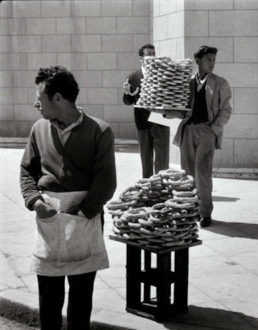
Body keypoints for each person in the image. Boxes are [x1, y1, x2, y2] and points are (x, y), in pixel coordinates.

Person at [20, 66, 117, 329]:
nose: (35, 103)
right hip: (49, 218)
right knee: (49, 296)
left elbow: (106, 182)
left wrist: (84, 212)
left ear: (59, 98)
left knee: (81, 297)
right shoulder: (38, 129)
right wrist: (35, 201)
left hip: (86, 217)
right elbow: (27, 171)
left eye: (40, 97)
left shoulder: (100, 131)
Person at [166, 45, 232, 227]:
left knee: (203, 173)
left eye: (214, 60)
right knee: (187, 174)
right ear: (198, 61)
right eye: (208, 60)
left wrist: (213, 130)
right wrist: (165, 112)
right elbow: (182, 111)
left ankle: (205, 213)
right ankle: (190, 210)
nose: (212, 63)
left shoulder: (221, 84)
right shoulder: (187, 83)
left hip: (206, 131)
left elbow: (226, 111)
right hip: (188, 130)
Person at [123, 43, 170, 178]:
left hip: (161, 120)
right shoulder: (133, 77)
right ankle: (149, 188)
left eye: (153, 54)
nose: (152, 57)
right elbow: (127, 101)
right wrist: (127, 93)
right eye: (148, 54)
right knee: (146, 159)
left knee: (162, 159)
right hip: (142, 122)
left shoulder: (164, 75)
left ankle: (162, 186)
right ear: (141, 58)